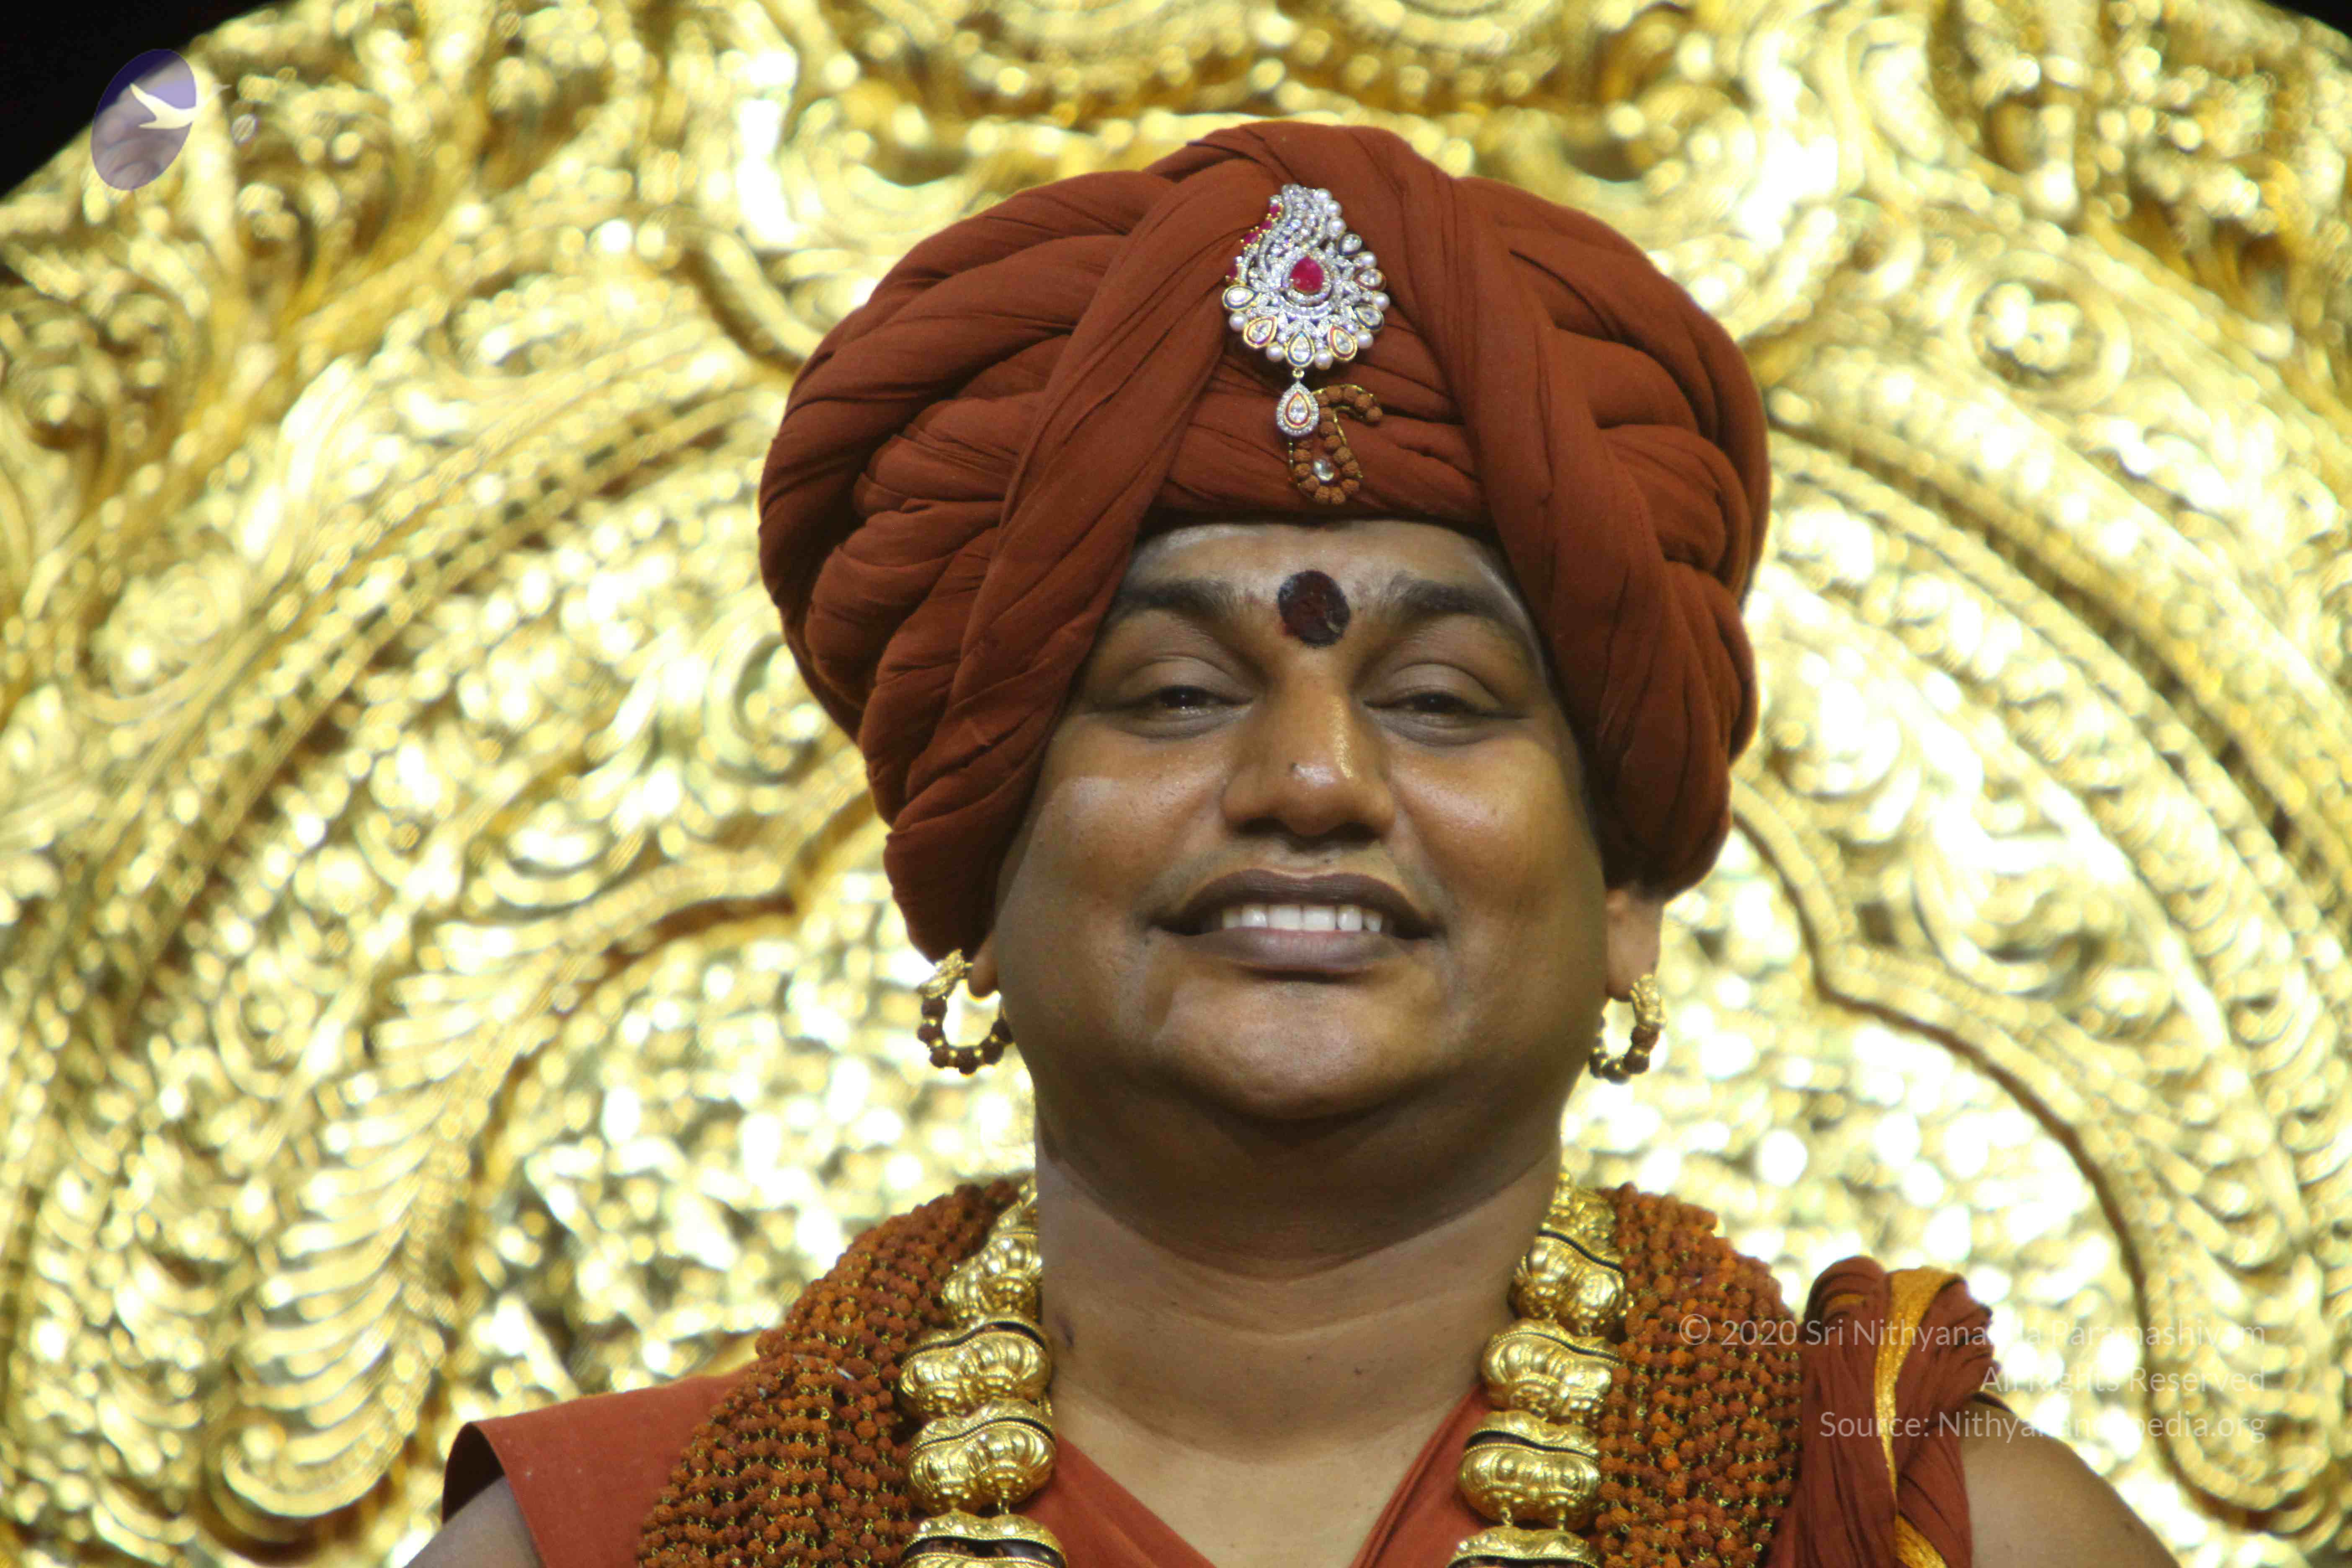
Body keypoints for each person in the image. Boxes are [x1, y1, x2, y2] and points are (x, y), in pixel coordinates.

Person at [415, 120, 2176, 1568]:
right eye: (1175, 694)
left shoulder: (1936, 1531)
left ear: (1627, 894)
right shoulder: (604, 1542)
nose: (1314, 779)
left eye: (1444, 699)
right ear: (972, 870)